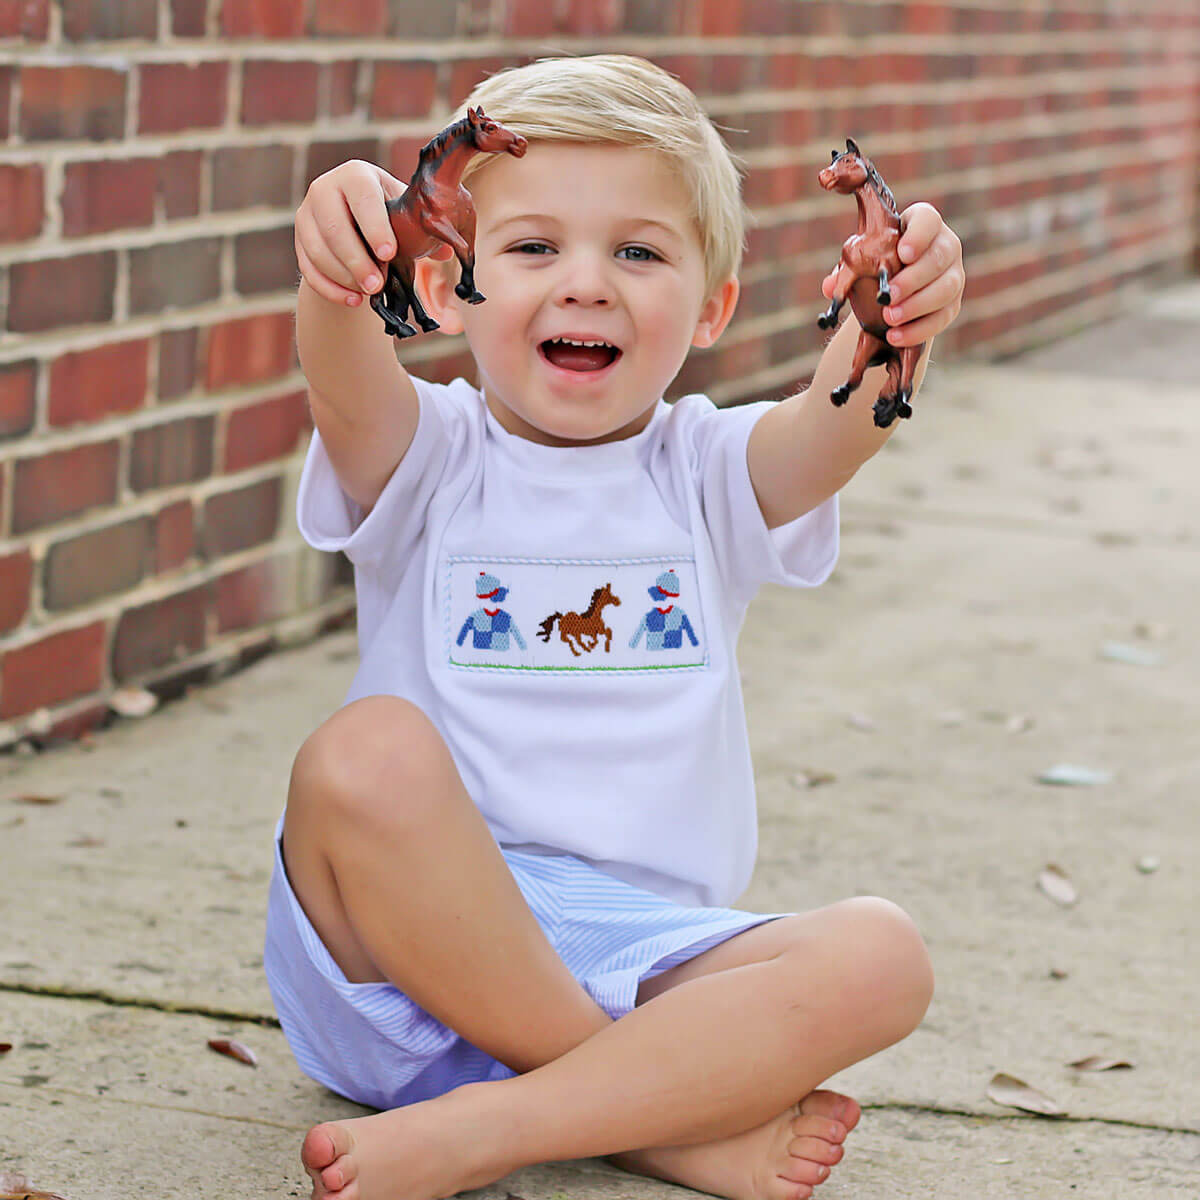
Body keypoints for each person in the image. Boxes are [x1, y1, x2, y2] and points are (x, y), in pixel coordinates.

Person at [267, 53, 964, 1200]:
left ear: (710, 309)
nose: (585, 284)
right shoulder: (427, 453)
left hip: (643, 965)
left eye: (638, 252)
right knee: (360, 755)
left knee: (883, 954)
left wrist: (892, 318)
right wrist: (339, 271)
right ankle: (650, 1118)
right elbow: (343, 376)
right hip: (402, 961)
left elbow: (838, 423)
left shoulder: (707, 473)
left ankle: (504, 1125)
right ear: (445, 285)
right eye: (534, 247)